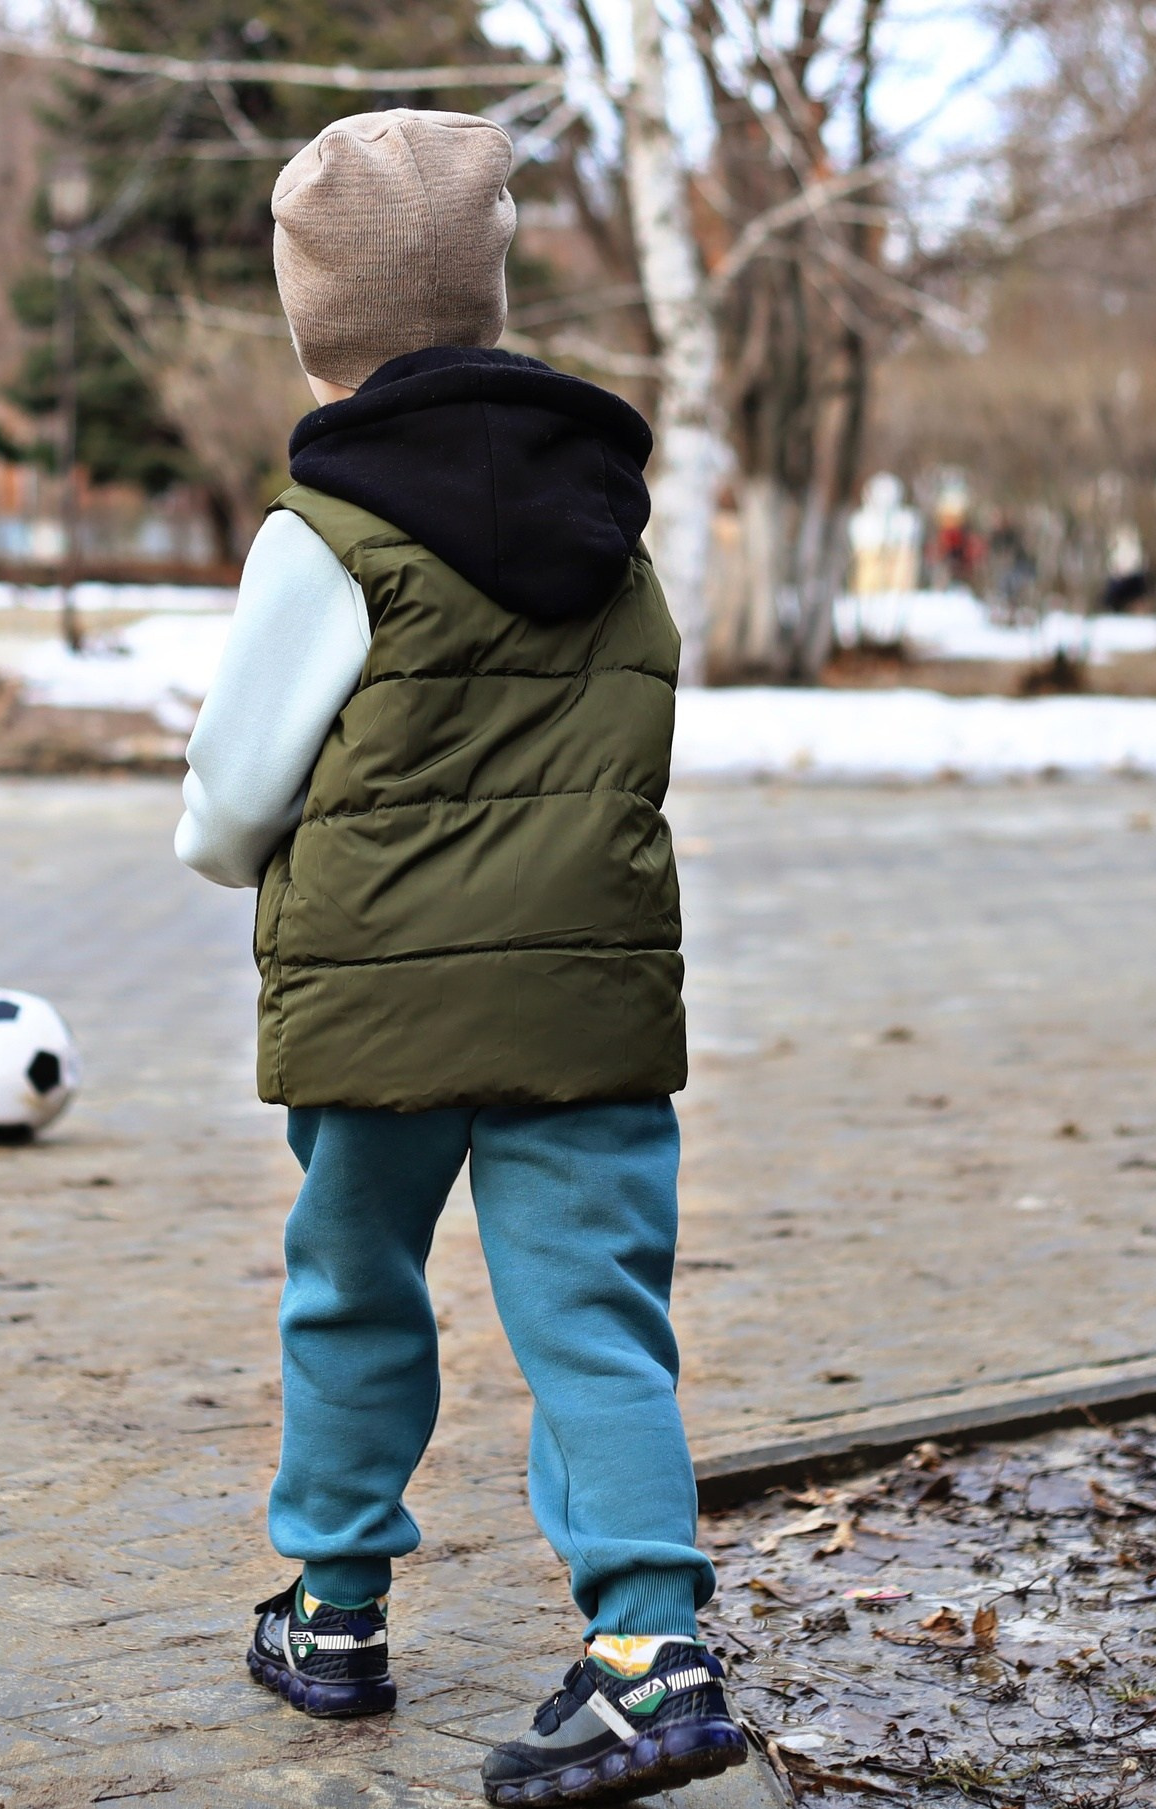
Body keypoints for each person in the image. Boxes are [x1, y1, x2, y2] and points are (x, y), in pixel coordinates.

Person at [173, 109, 748, 1805]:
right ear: (487, 295)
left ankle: (335, 1615)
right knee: (595, 1322)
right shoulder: (608, 520)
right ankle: (654, 1648)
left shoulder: (326, 530)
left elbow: (229, 804)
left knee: (357, 1295)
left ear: (313, 316)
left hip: (377, 1007)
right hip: (588, 997)